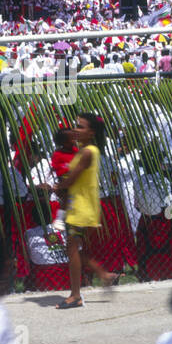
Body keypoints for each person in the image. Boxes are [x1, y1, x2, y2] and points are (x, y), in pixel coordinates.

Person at [55, 112, 120, 309]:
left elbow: (72, 179)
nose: (75, 129)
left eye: (80, 127)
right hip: (80, 205)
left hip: (81, 206)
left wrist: (55, 187)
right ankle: (104, 275)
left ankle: (75, 295)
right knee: (73, 249)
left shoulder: (87, 152)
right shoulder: (86, 149)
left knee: (73, 248)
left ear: (91, 132)